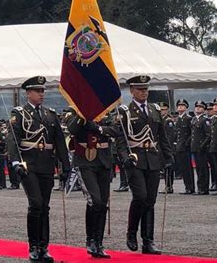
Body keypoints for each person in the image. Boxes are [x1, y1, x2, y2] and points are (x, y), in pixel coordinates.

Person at [7, 76, 71, 262]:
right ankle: (33, 246)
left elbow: (59, 142)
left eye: (43, 91)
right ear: (28, 93)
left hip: (46, 165)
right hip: (29, 165)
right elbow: (13, 140)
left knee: (45, 206)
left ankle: (44, 246)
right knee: (35, 204)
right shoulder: (18, 114)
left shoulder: (50, 114)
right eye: (37, 91)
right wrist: (16, 163)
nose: (41, 94)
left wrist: (65, 166)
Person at [117, 75, 173, 255]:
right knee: (140, 196)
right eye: (140, 89)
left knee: (150, 200)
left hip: (153, 159)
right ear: (132, 91)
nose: (144, 92)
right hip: (135, 159)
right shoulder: (125, 111)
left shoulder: (155, 109)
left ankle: (148, 241)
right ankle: (131, 233)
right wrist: (125, 156)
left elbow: (162, 136)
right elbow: (121, 138)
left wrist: (168, 158)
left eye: (146, 89)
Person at [66, 108, 122, 259]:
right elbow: (72, 129)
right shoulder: (75, 112)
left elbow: (117, 130)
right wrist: (82, 116)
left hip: (103, 160)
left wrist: (98, 128)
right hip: (84, 160)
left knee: (102, 204)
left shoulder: (107, 112)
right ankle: (90, 240)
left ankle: (98, 242)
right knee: (95, 200)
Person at [190, 100, 211, 195]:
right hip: (195, 147)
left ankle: (204, 188)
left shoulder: (205, 120)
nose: (198, 108)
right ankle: (200, 187)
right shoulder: (194, 119)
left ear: (204, 109)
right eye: (196, 106)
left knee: (203, 168)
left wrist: (202, 145)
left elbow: (208, 135)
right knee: (198, 169)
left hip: (201, 148)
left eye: (200, 107)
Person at [175, 99, 194, 194]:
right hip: (179, 146)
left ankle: (190, 187)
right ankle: (187, 186)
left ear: (186, 108)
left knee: (187, 168)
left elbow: (191, 133)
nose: (180, 107)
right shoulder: (178, 119)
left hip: (185, 146)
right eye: (179, 106)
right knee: (183, 168)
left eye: (182, 106)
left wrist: (187, 143)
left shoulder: (188, 118)